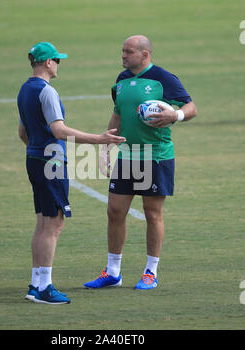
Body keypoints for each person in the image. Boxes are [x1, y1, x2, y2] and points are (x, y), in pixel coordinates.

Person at [84, 35, 197, 290]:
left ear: (144, 54)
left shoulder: (164, 79)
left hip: (155, 156)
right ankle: (113, 272)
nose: (123, 55)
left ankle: (150, 272)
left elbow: (192, 108)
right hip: (128, 155)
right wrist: (106, 146)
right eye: (122, 51)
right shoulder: (122, 80)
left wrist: (175, 114)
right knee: (114, 211)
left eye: (128, 52)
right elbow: (117, 114)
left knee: (152, 213)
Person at [17, 41, 126, 304]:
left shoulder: (24, 90)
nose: (58, 65)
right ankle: (44, 287)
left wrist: (37, 150)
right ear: (48, 63)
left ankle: (36, 283)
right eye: (57, 60)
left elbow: (23, 132)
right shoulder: (47, 92)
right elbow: (59, 131)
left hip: (34, 158)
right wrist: (99, 140)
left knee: (43, 222)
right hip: (50, 163)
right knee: (54, 224)